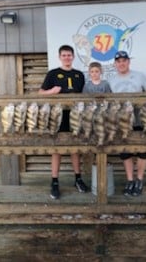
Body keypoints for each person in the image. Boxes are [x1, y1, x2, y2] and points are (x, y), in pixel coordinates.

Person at [39, 44, 89, 199]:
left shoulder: (79, 75)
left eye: (69, 55)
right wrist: (50, 92)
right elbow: (40, 93)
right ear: (60, 57)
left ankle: (78, 179)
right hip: (57, 116)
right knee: (57, 149)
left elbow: (84, 96)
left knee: (75, 148)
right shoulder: (53, 74)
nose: (67, 58)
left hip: (75, 115)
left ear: (73, 57)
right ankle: (54, 181)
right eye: (64, 55)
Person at [109, 50, 146, 196]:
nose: (121, 63)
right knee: (125, 151)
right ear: (115, 64)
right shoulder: (111, 80)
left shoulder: (139, 76)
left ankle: (139, 180)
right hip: (121, 120)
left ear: (128, 62)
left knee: (142, 150)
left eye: (124, 60)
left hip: (140, 118)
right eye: (119, 61)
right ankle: (130, 180)